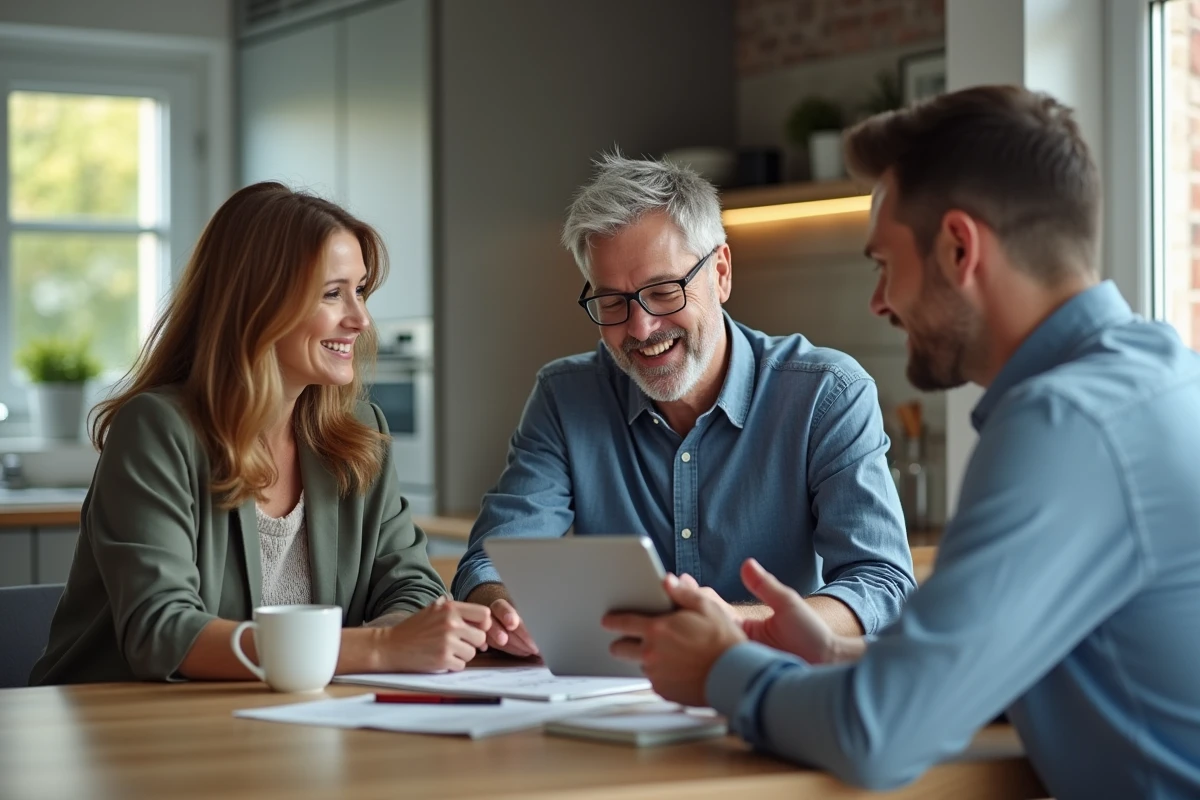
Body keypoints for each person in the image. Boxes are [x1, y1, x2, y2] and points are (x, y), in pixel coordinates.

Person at [602, 85, 1200, 798]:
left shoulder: (1064, 428)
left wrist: (719, 669)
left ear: (958, 248)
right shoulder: (1161, 380)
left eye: (884, 264)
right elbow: (1019, 660)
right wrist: (839, 652)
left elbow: (876, 737)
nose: (878, 302)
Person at [452, 152, 915, 657]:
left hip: (769, 692)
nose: (641, 328)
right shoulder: (565, 397)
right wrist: (507, 609)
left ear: (720, 272)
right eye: (612, 302)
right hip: (611, 706)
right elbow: (489, 563)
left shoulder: (827, 394)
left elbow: (881, 583)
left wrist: (740, 625)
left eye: (663, 290)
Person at [31, 182, 490, 685]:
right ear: (259, 303)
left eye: (359, 291)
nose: (360, 319)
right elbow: (162, 632)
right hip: (122, 733)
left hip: (291, 723)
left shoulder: (359, 435)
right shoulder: (158, 431)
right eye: (333, 293)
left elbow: (414, 584)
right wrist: (378, 648)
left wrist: (399, 639)